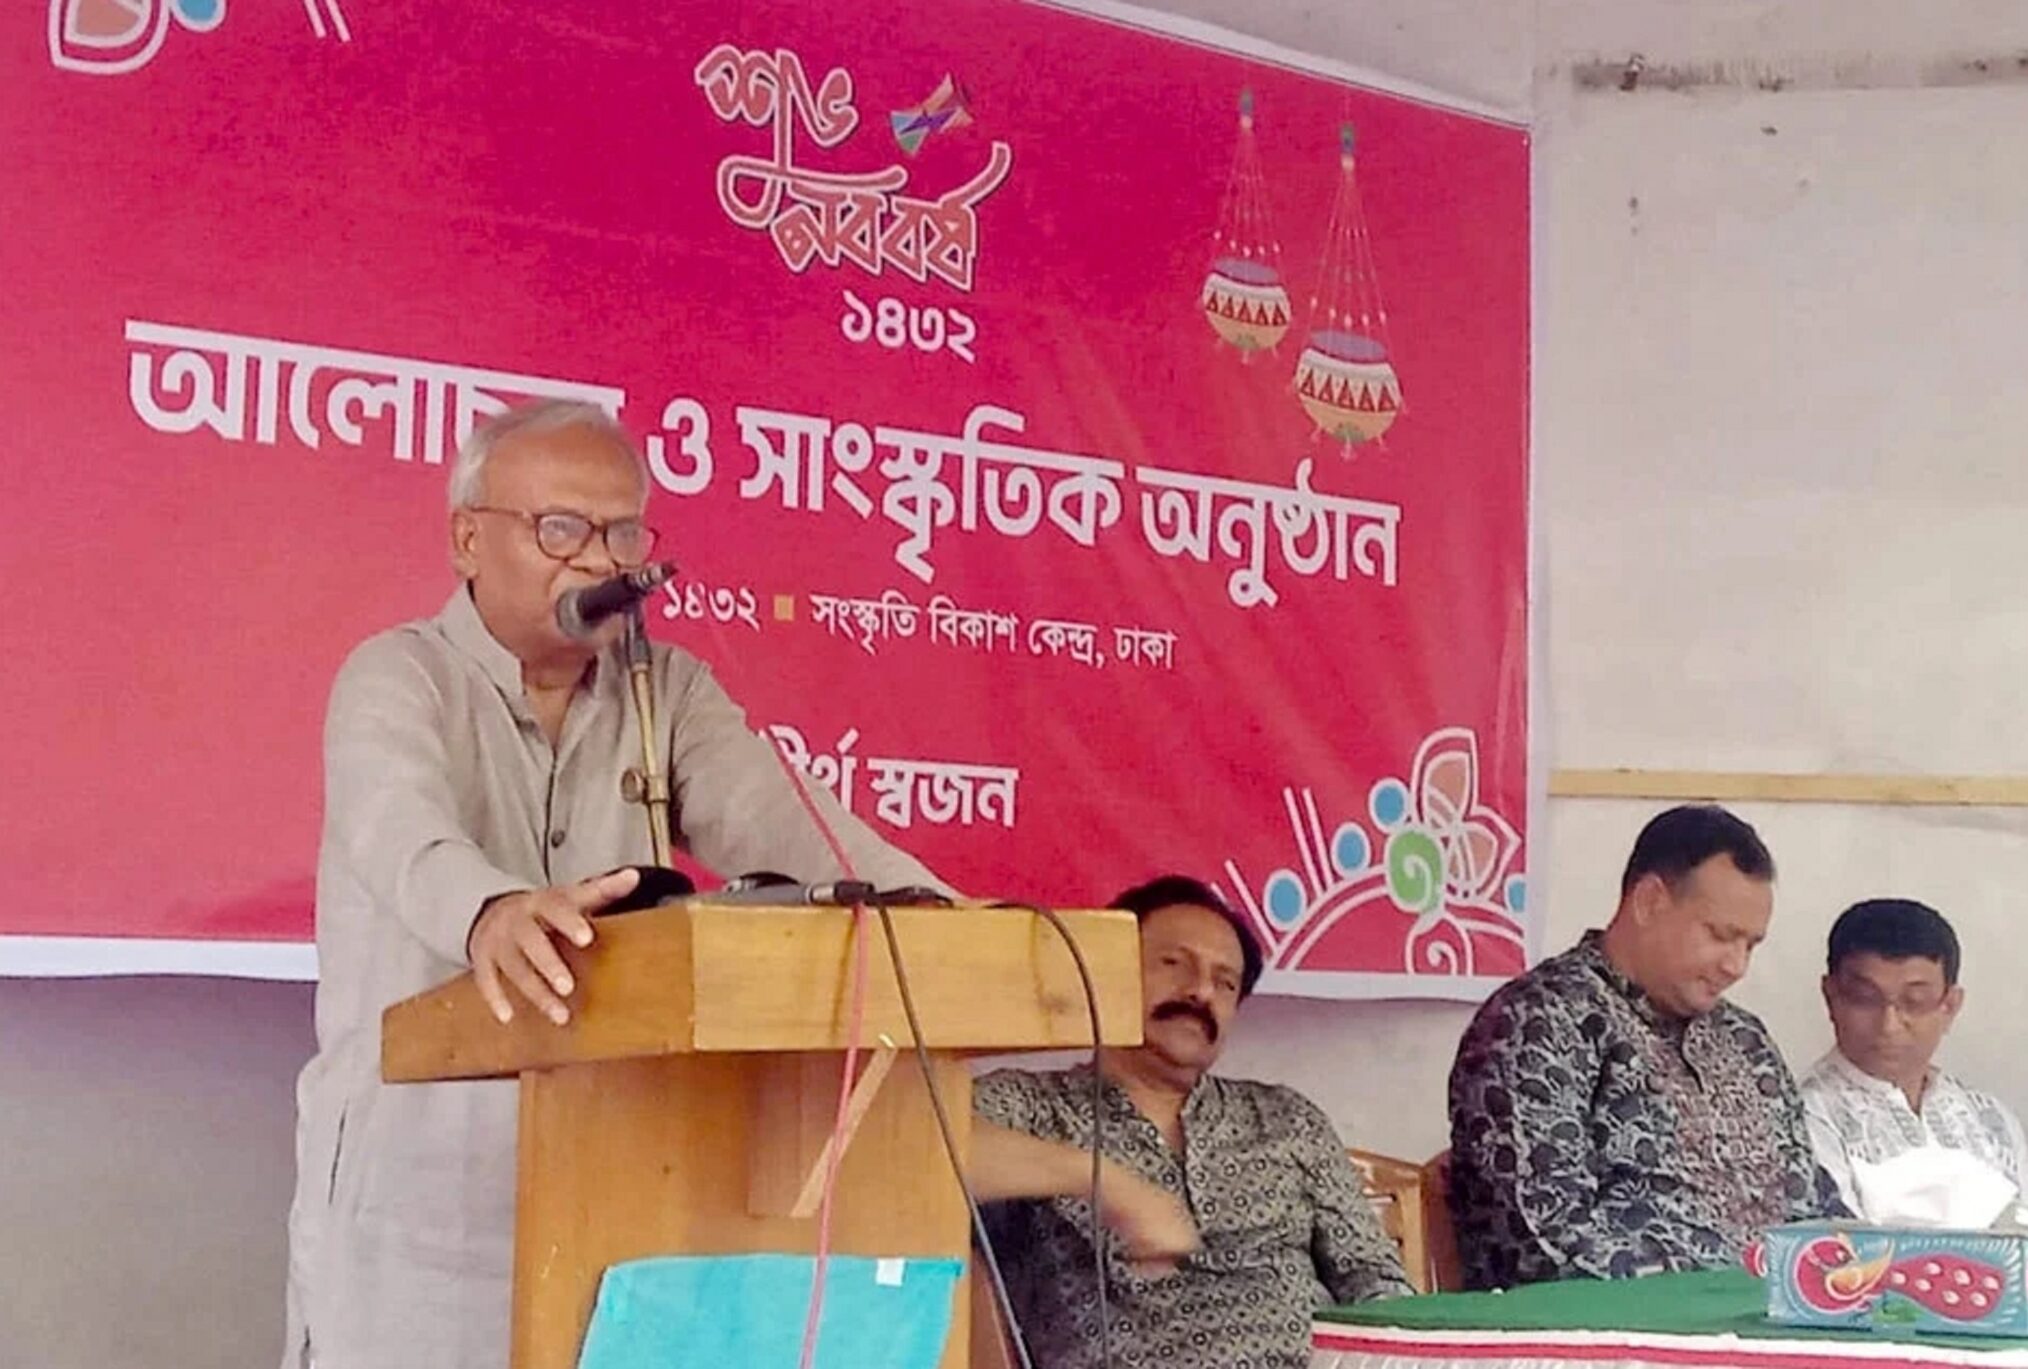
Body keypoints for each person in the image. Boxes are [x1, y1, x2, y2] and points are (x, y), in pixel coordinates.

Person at [284, 400, 1190, 1369]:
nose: (596, 561)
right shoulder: (398, 676)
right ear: (468, 538)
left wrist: (941, 916)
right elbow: (401, 833)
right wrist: (492, 912)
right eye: (560, 529)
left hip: (616, 1185)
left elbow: (788, 822)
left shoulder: (663, 691)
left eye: (620, 534)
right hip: (417, 1194)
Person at [973, 875, 1412, 1369]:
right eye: (1173, 964)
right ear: (1108, 972)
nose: (1201, 991)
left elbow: (1374, 1280)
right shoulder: (1032, 1107)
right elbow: (925, 1157)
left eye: (1225, 983)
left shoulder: (1287, 1118)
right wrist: (1105, 1183)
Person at [1445, 804, 1842, 1290]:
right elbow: (1540, 1237)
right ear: (1650, 901)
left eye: (1751, 945)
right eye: (1721, 936)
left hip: (1771, 1316)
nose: (1736, 966)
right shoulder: (1537, 1021)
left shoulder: (1745, 1039)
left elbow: (1815, 1202)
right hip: (1625, 1324)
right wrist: (1720, 1297)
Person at [1799, 898, 2028, 1223]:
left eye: (1914, 1002)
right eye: (1866, 999)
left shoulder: (1992, 1120)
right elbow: (1838, 1243)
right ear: (1830, 997)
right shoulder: (1805, 1118)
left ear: (1950, 1006)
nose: (1889, 1025)